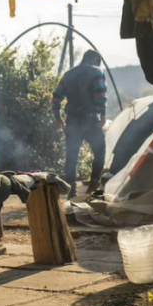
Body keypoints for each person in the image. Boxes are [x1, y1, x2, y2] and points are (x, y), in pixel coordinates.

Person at [52, 50, 108, 198]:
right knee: (100, 151)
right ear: (95, 59)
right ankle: (93, 186)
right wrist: (103, 116)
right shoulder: (97, 72)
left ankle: (72, 191)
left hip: (72, 121)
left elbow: (56, 96)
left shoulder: (69, 74)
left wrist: (57, 117)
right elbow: (101, 95)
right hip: (90, 121)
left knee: (71, 156)